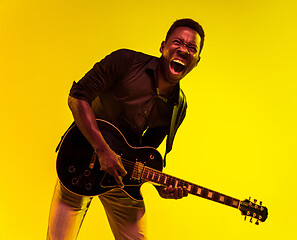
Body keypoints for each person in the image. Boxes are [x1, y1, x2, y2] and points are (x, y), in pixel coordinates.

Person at [47, 18, 205, 240]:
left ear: (196, 61)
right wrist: (103, 150)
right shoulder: (126, 62)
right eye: (177, 42)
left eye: (192, 48)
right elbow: (77, 97)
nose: (184, 50)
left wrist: (159, 184)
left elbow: (144, 152)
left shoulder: (179, 107)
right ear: (162, 47)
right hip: (79, 160)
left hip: (121, 178)